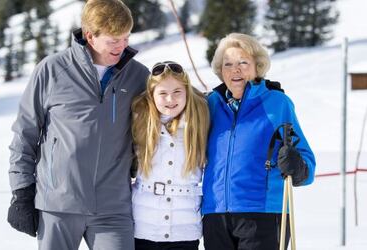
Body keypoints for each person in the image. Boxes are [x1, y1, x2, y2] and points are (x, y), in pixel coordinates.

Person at [6, 0, 149, 249]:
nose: (123, 46)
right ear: (90, 35)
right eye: (114, 40)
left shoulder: (138, 76)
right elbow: (24, 134)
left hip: (113, 207)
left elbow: (172, 104)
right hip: (58, 204)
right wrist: (21, 192)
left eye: (126, 38)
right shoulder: (52, 70)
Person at [201, 33, 316, 250]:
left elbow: (307, 164)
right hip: (215, 214)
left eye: (243, 62)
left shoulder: (276, 103)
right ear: (220, 70)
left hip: (262, 214)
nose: (235, 69)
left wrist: (297, 165)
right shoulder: (211, 104)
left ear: (257, 66)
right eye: (228, 64)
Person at [130, 61, 210, 250]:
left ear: (187, 92)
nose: (170, 99)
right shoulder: (139, 122)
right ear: (151, 95)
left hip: (185, 229)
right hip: (143, 227)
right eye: (162, 93)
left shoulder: (200, 121)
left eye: (177, 92)